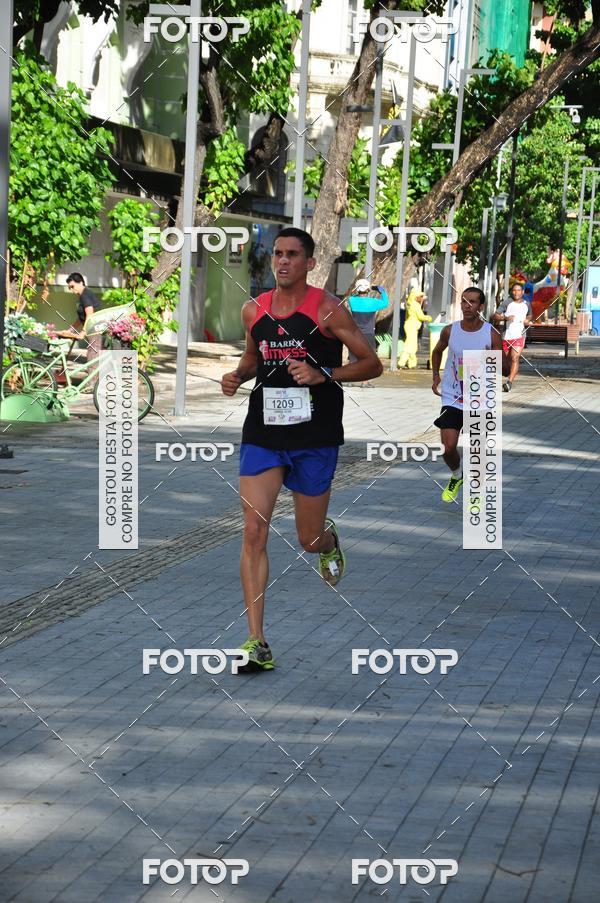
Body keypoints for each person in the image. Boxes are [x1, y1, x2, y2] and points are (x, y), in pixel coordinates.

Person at [221, 227, 383, 671]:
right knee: (253, 531)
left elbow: (372, 363)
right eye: (277, 254)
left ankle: (327, 539)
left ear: (311, 263)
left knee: (306, 540)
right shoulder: (254, 310)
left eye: (293, 255)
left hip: (314, 436)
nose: (283, 261)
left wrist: (323, 373)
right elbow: (253, 361)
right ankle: (257, 641)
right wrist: (236, 377)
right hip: (264, 433)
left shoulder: (329, 309)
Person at [431, 286, 508, 503]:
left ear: (480, 306)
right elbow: (437, 352)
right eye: (464, 301)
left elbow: (503, 367)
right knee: (447, 448)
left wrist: (494, 358)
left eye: (472, 302)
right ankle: (457, 475)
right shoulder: (450, 331)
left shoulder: (490, 333)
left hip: (480, 399)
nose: (467, 305)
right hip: (453, 396)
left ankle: (476, 495)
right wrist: (436, 376)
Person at [492, 282, 531, 393]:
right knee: (506, 361)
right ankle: (507, 374)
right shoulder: (507, 303)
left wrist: (527, 320)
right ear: (511, 292)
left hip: (519, 336)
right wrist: (505, 318)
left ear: (522, 292)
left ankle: (509, 382)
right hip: (506, 336)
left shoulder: (526, 304)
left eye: (518, 290)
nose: (516, 292)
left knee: (515, 357)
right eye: (514, 290)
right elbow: (495, 315)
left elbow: (530, 315)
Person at [399, 288, 432, 368]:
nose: (422, 298)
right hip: (412, 327)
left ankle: (412, 364)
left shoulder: (411, 304)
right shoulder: (415, 305)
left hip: (411, 326)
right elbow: (421, 316)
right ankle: (401, 363)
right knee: (409, 346)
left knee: (413, 346)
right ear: (415, 296)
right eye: (421, 296)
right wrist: (429, 318)